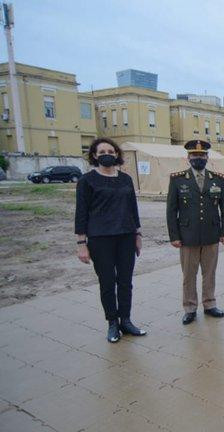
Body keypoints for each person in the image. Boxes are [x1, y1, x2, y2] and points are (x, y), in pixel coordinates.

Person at [75, 137, 146, 343]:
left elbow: (133, 209)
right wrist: (82, 244)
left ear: (116, 154)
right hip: (100, 238)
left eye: (111, 151)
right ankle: (112, 323)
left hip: (126, 236)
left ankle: (126, 320)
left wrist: (138, 235)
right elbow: (81, 214)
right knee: (107, 282)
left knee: (125, 281)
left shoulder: (125, 179)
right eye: (102, 151)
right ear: (95, 156)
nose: (107, 154)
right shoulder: (86, 181)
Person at [166, 140, 224, 325]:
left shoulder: (218, 179)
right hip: (187, 236)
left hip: (211, 234)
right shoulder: (177, 179)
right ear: (188, 157)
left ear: (207, 157)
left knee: (209, 273)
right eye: (194, 155)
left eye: (202, 155)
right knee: (189, 274)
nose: (198, 158)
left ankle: (209, 304)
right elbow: (171, 210)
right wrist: (174, 236)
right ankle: (190, 307)